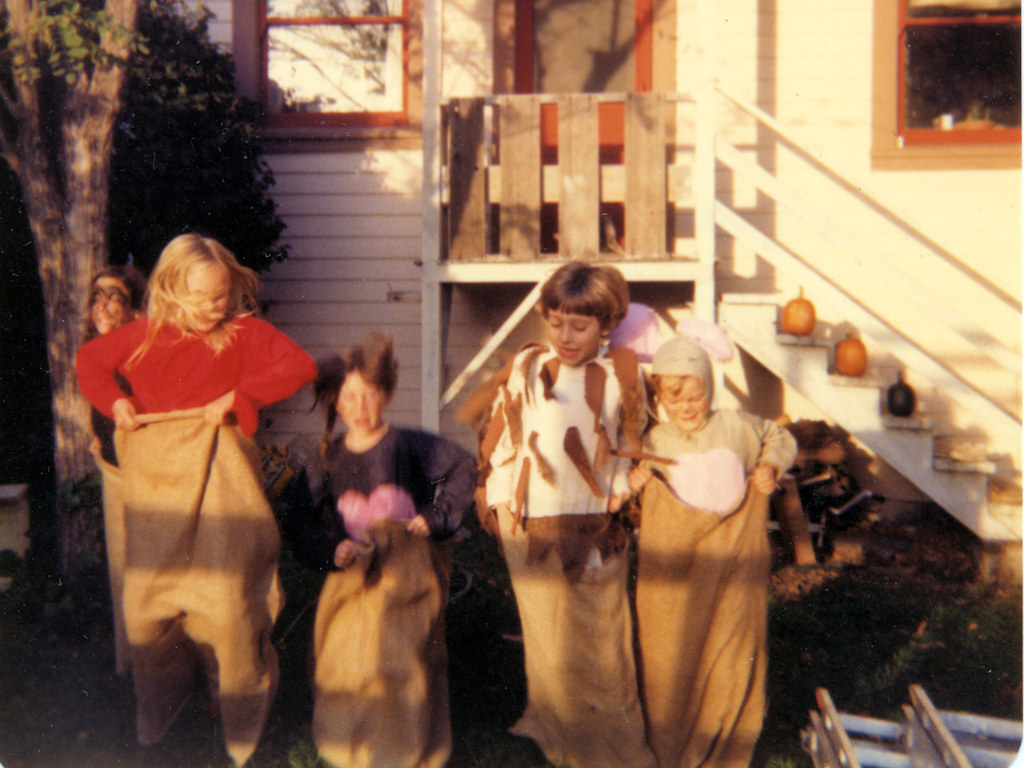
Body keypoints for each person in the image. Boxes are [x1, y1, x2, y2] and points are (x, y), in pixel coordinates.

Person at [75, 234, 317, 766]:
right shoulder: (142, 337)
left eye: (223, 295)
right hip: (158, 494)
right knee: (148, 610)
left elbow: (299, 366)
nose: (216, 306)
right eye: (204, 296)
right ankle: (165, 703)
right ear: (170, 287)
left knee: (228, 606)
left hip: (223, 487)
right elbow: (90, 362)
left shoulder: (242, 334)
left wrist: (242, 396)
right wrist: (115, 402)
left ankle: (236, 709)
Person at [475, 261, 655, 768]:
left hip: (595, 527)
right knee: (547, 635)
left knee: (602, 640)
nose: (565, 336)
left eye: (579, 325)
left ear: (607, 324)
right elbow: (505, 439)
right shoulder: (528, 367)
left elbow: (627, 444)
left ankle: (614, 748)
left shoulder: (622, 374)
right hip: (530, 526)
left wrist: (621, 493)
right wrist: (500, 501)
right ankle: (556, 735)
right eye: (555, 322)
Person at [296, 333, 475, 768]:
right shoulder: (327, 457)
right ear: (335, 402)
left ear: (389, 394)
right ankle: (347, 744)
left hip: (405, 571)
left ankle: (401, 746)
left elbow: (463, 466)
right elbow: (298, 518)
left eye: (370, 395)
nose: (360, 408)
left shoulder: (408, 445)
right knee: (343, 654)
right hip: (353, 571)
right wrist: (328, 548)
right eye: (349, 396)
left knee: (402, 656)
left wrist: (434, 517)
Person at [628, 332, 797, 768]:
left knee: (731, 646)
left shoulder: (735, 426)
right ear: (660, 399)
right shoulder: (655, 442)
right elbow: (634, 492)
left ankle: (727, 737)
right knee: (670, 652)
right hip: (676, 569)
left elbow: (778, 436)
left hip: (731, 560)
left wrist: (768, 466)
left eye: (695, 395)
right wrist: (637, 483)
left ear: (709, 388)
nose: (686, 407)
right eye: (674, 397)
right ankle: (669, 744)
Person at [82, 265, 148, 676]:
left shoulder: (140, 351)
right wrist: (94, 434)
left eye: (114, 297)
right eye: (96, 296)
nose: (102, 305)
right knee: (122, 570)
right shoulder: (92, 353)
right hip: (113, 472)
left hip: (146, 473)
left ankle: (163, 664)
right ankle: (131, 666)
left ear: (133, 308)